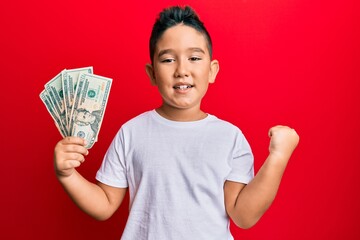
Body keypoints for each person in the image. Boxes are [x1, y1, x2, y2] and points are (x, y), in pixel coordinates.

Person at [54, 6, 299, 240]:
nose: (182, 70)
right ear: (152, 73)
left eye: (194, 57)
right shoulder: (131, 133)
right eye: (168, 60)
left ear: (212, 70)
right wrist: (67, 175)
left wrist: (278, 157)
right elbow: (105, 204)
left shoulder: (230, 137)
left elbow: (243, 215)